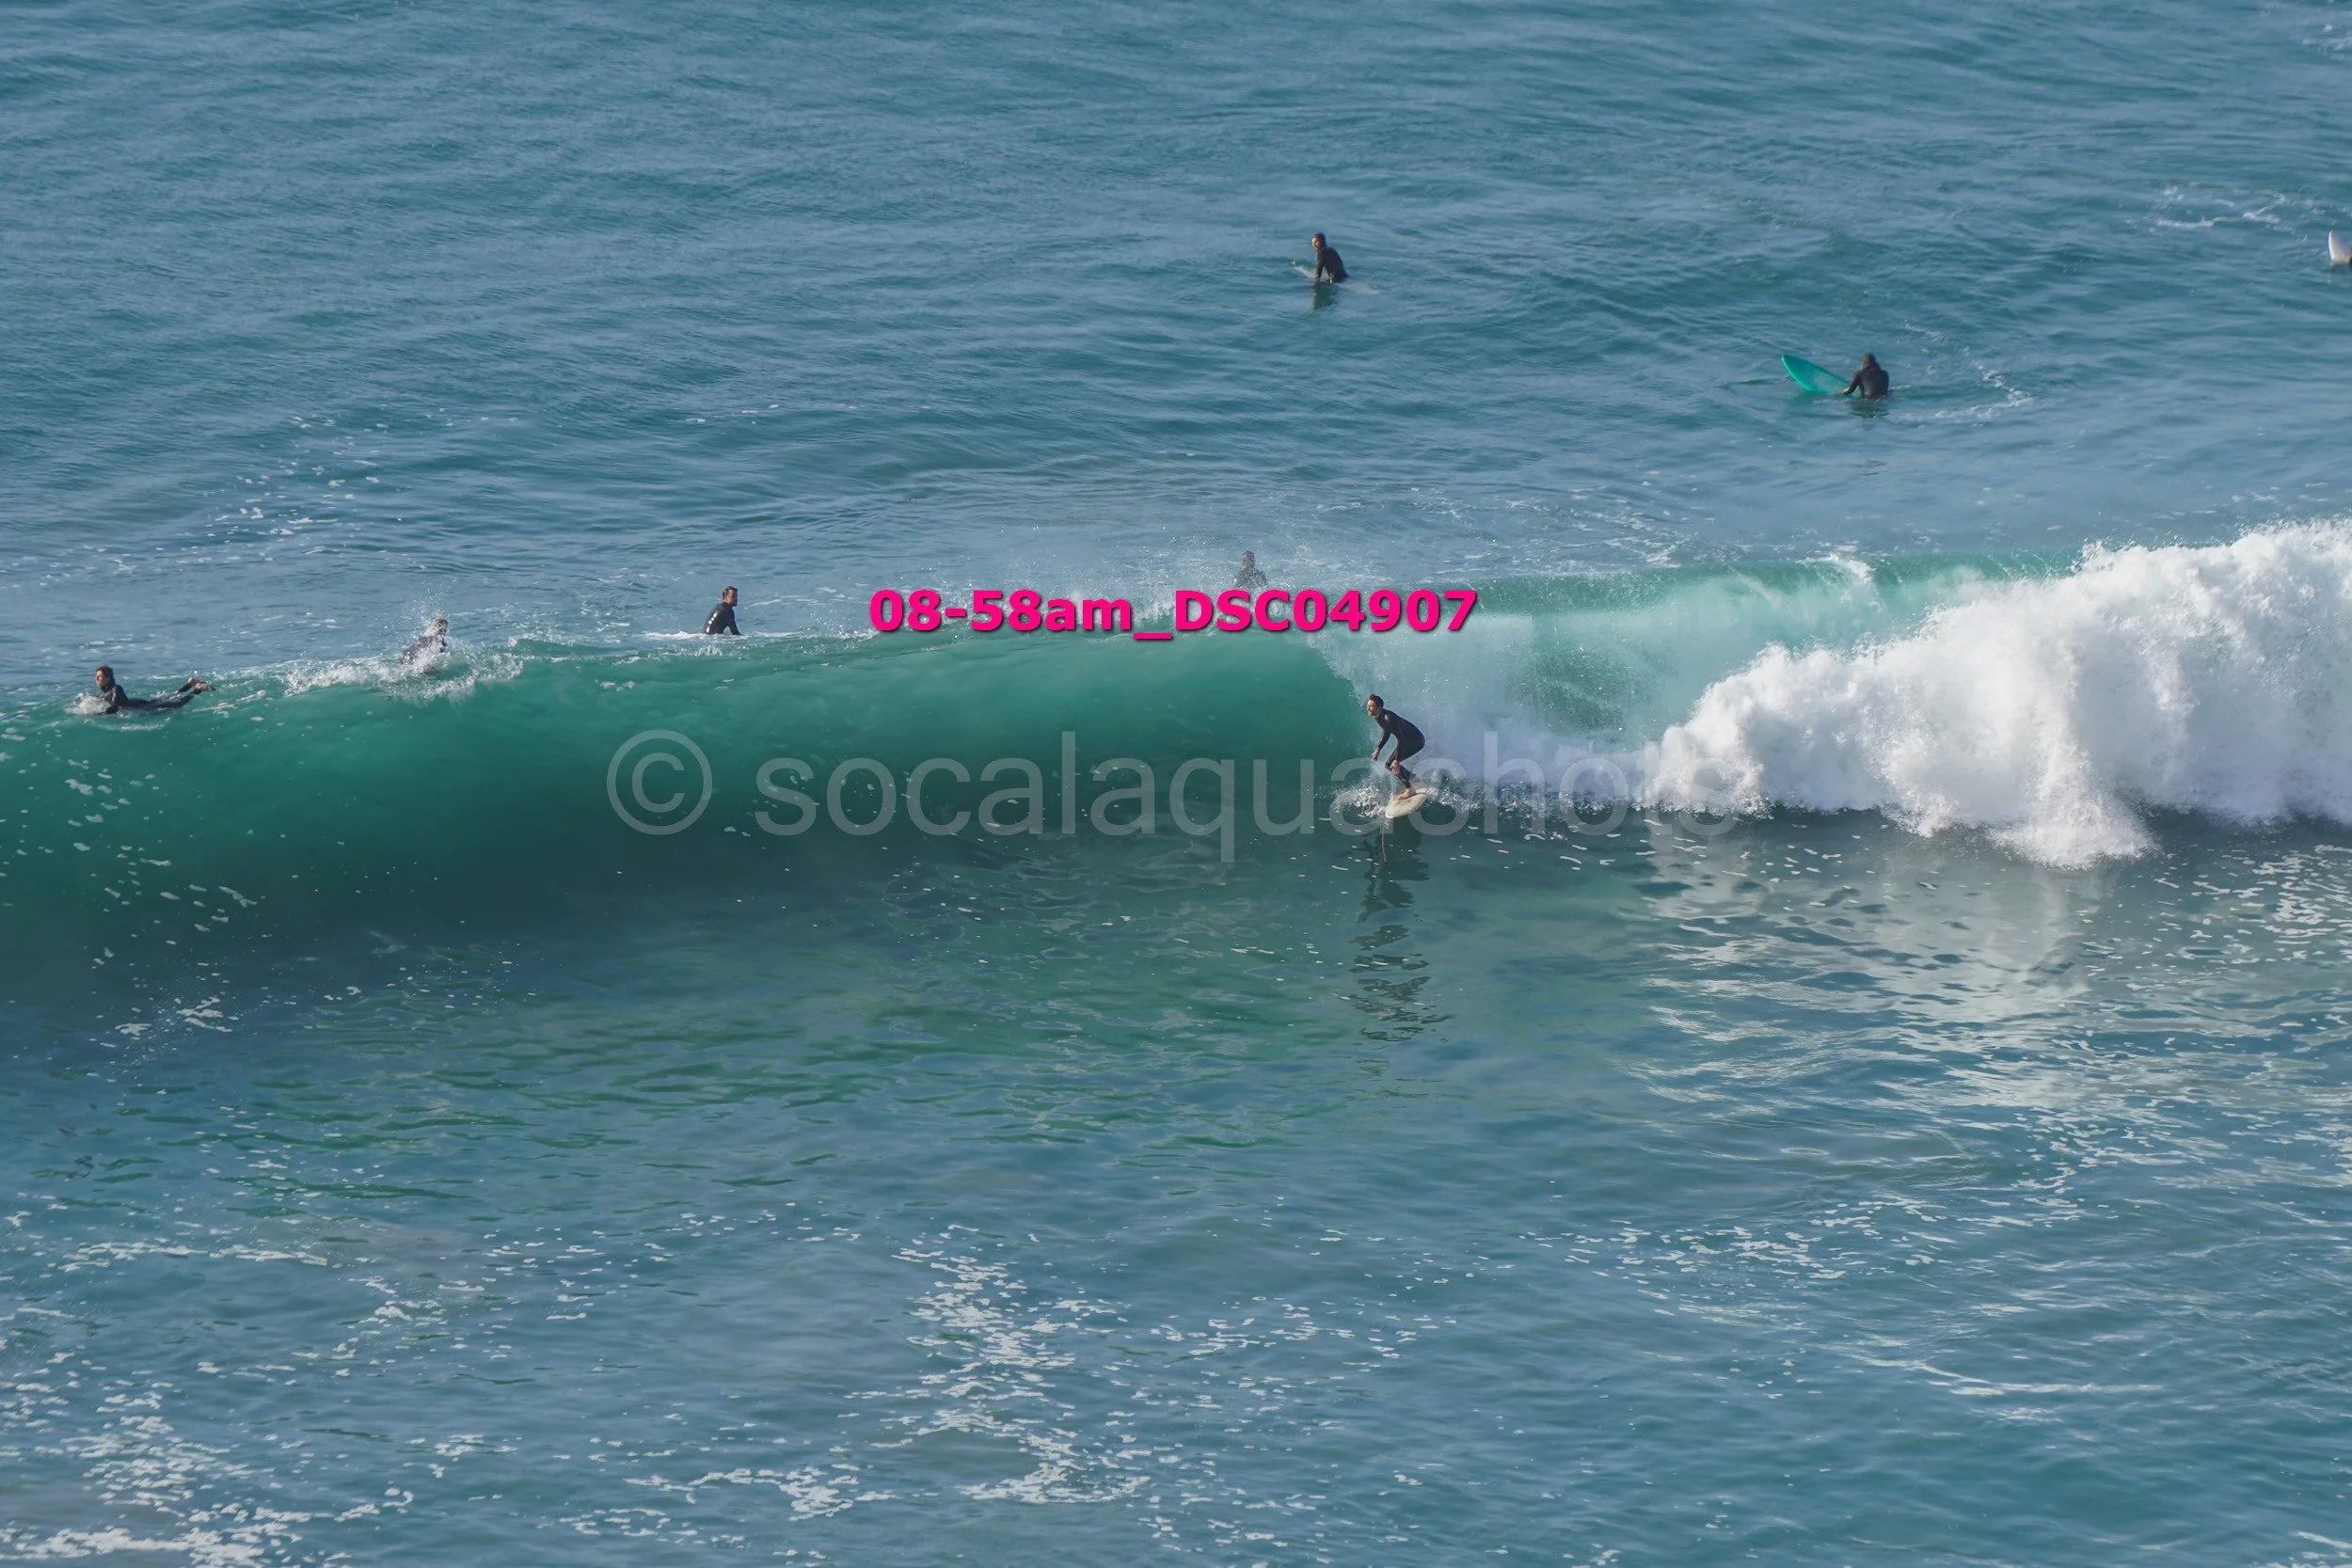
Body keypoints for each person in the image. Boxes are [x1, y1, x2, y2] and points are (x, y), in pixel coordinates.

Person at [1365, 693, 1424, 795]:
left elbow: (1401, 739)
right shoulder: (1379, 717)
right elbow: (1386, 731)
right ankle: (1414, 779)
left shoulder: (1388, 718)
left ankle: (1409, 789)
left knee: (1391, 764)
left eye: (1371, 706)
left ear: (1379, 708)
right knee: (1390, 764)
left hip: (1415, 741)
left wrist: (1397, 760)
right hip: (1409, 740)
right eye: (1368, 706)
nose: (1368, 708)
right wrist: (1378, 748)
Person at [92, 667, 210, 715]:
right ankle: (190, 684)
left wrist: (98, 714)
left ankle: (199, 688)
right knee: (171, 696)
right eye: (96, 677)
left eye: (99, 677)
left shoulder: (115, 688)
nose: (97, 679)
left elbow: (114, 707)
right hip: (141, 704)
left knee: (178, 704)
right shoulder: (106, 692)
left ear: (107, 678)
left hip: (143, 707)